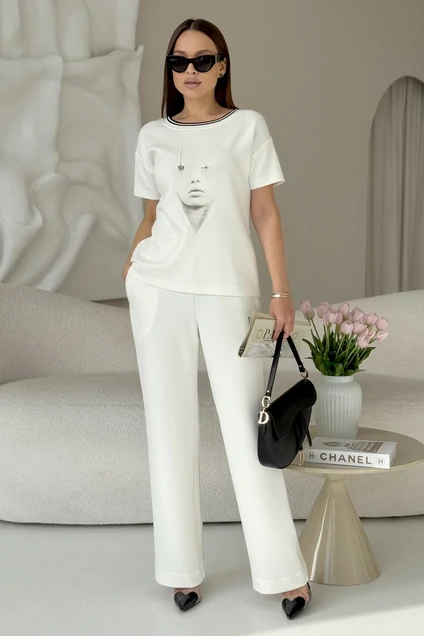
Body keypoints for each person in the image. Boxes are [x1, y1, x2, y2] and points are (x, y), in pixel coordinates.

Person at [123, 17, 312, 620]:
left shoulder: (247, 127)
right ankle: (181, 573)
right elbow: (151, 217)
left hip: (228, 292)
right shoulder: (153, 135)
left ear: (222, 65)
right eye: (179, 61)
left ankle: (286, 575)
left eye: (203, 60)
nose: (190, 71)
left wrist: (281, 292)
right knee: (167, 429)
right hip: (158, 290)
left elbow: (265, 213)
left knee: (248, 428)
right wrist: (132, 270)